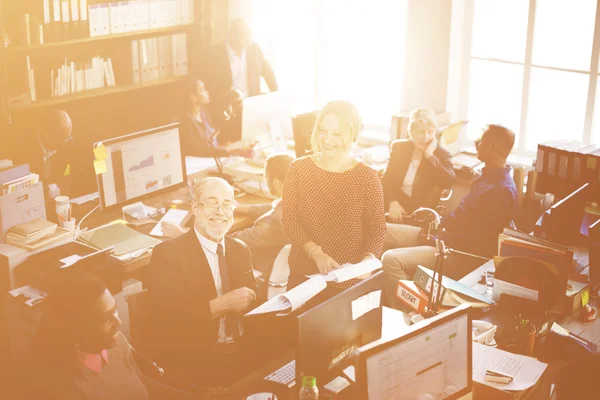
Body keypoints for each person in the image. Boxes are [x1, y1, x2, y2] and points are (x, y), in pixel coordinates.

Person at [144, 177, 267, 386]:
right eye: (211, 203)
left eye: (226, 204)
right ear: (195, 208)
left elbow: (251, 306)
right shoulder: (167, 254)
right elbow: (168, 322)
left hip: (242, 353)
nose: (220, 211)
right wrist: (224, 303)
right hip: (196, 360)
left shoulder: (239, 249)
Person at [382, 124, 518, 295]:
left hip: (456, 253)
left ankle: (410, 311)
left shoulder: (501, 191)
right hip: (444, 237)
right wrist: (435, 230)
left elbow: (477, 244)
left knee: (391, 260)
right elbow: (462, 220)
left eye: (481, 141)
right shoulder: (486, 177)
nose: (477, 144)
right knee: (382, 230)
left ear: (490, 147)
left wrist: (434, 239)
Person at [27, 271, 195, 400]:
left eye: (114, 310)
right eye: (105, 318)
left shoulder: (116, 342)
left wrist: (194, 397)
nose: (118, 322)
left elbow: (140, 381)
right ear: (77, 329)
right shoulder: (66, 389)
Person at [282, 100, 386, 301]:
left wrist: (368, 259)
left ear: (352, 135)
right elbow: (290, 220)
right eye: (323, 130)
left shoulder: (367, 177)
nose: (327, 139)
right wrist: (316, 253)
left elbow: (377, 226)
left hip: (348, 281)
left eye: (337, 133)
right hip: (305, 276)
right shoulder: (298, 169)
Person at [203, 18, 278, 142]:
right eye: (242, 35)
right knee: (232, 144)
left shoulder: (253, 48)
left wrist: (276, 95)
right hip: (227, 111)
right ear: (232, 35)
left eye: (248, 35)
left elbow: (267, 72)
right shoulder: (214, 54)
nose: (246, 39)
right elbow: (209, 85)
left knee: (252, 142)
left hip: (251, 106)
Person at [382, 109, 455, 223]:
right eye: (421, 132)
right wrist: (393, 202)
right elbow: (387, 179)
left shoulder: (441, 154)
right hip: (394, 206)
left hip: (420, 213)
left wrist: (430, 156)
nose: (426, 138)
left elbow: (448, 180)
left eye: (430, 132)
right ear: (410, 132)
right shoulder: (399, 148)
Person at [230, 153, 293, 278]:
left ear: (275, 183)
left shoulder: (274, 221)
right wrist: (241, 209)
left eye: (266, 179)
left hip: (267, 275)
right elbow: (277, 206)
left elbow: (233, 243)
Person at [177, 78, 251, 158]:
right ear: (193, 97)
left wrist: (223, 146)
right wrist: (226, 151)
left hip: (215, 157)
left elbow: (211, 139)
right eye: (203, 90)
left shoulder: (204, 112)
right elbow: (197, 150)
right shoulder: (186, 121)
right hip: (204, 162)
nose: (207, 92)